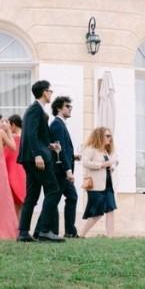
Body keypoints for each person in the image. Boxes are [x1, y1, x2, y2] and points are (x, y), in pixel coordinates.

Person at [17, 79, 63, 242]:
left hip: (32, 157)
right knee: (53, 190)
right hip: (36, 158)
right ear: (44, 92)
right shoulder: (35, 109)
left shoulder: (36, 109)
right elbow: (30, 133)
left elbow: (36, 135)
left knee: (32, 196)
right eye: (50, 91)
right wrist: (38, 154)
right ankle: (44, 230)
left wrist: (50, 146)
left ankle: (23, 233)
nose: (51, 94)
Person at [79, 126, 118, 238]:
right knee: (97, 214)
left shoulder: (105, 151)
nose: (110, 138)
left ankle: (110, 237)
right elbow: (85, 162)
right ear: (100, 136)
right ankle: (81, 235)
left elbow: (109, 164)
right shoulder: (91, 149)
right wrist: (102, 165)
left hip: (108, 185)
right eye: (107, 136)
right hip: (96, 186)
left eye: (110, 136)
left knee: (110, 210)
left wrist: (111, 167)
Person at [49, 95, 79, 238]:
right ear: (59, 108)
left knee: (71, 197)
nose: (70, 108)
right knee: (53, 200)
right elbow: (59, 151)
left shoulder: (60, 124)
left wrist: (74, 157)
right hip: (60, 171)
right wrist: (68, 171)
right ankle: (42, 230)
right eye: (67, 106)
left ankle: (70, 231)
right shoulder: (57, 124)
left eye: (70, 106)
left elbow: (64, 150)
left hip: (62, 170)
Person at [5, 113, 26, 219]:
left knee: (15, 202)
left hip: (12, 171)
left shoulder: (11, 139)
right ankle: (22, 226)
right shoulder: (26, 137)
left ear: (13, 125)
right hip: (24, 171)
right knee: (22, 200)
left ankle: (17, 226)